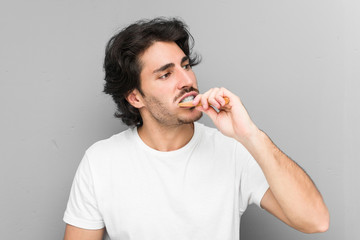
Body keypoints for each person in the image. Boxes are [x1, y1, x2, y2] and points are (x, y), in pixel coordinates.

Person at [63, 17, 329, 240]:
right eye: (166, 74)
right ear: (135, 97)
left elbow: (315, 221)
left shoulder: (232, 151)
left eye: (186, 66)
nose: (187, 80)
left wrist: (249, 134)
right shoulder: (101, 162)